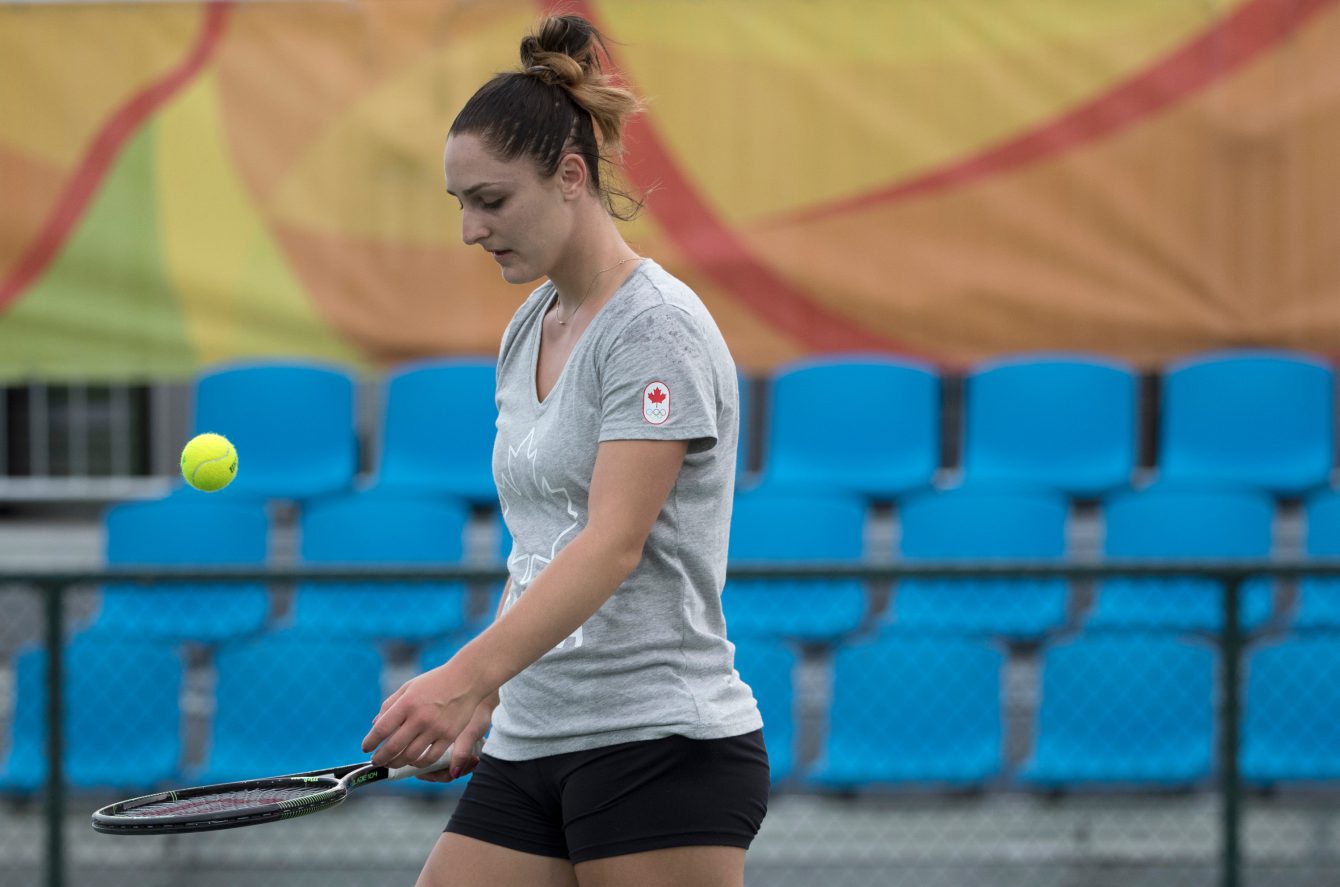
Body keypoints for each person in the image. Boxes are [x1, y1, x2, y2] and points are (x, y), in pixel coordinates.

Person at [360, 13, 769, 887]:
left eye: (492, 200)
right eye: (460, 204)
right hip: (530, 740)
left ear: (572, 176)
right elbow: (539, 546)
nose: (472, 229)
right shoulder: (526, 328)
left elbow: (610, 545)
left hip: (661, 745)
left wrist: (465, 677)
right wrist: (493, 700)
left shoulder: (654, 330)